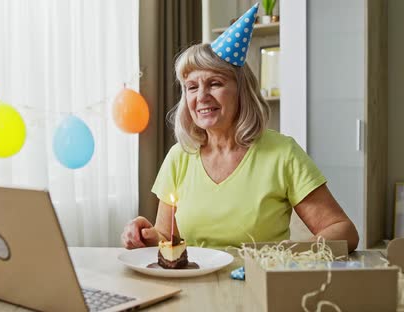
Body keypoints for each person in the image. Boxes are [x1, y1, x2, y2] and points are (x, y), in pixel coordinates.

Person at [121, 4, 359, 252]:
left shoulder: (282, 154)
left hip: (259, 283)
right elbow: (166, 238)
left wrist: (290, 253)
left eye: (214, 83)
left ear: (241, 92)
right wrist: (143, 235)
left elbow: (343, 231)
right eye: (192, 87)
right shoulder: (179, 157)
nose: (201, 96)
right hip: (195, 284)